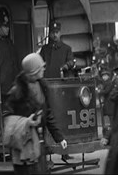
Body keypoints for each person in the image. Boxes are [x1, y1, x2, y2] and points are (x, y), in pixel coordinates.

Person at [3, 53, 67, 175]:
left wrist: (59, 137)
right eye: (41, 67)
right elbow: (7, 117)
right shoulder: (17, 92)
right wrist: (26, 122)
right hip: (23, 146)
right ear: (33, 71)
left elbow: (47, 113)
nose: (43, 69)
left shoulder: (42, 86)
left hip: (39, 142)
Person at [39, 20, 74, 161]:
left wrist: (66, 66)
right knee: (48, 119)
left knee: (62, 119)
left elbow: (72, 62)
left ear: (60, 32)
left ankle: (65, 152)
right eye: (52, 33)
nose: (54, 35)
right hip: (47, 88)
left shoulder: (66, 48)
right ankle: (48, 151)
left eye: (56, 32)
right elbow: (40, 62)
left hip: (61, 89)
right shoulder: (45, 49)